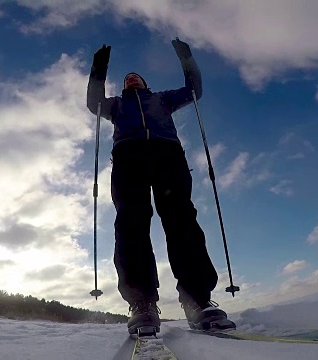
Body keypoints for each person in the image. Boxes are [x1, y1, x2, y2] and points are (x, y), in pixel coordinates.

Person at [86, 38, 235, 334]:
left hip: (167, 155)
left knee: (181, 219)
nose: (131, 77)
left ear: (144, 83)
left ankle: (198, 300)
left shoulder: (162, 99)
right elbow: (94, 103)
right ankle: (142, 303)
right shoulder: (115, 105)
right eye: (127, 77)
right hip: (129, 158)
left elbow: (194, 91)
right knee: (131, 223)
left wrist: (187, 59)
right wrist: (98, 70)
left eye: (136, 76)